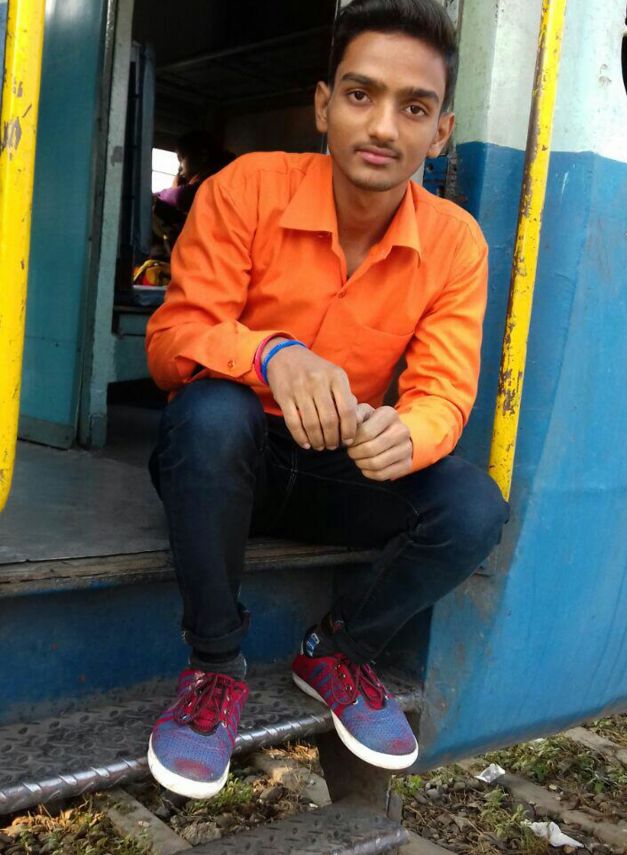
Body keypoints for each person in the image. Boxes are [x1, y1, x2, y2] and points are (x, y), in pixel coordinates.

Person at [145, 0, 509, 800]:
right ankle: (214, 667)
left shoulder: (456, 243)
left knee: (474, 506)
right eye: (360, 94)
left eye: (413, 107)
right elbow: (172, 342)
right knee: (209, 413)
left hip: (337, 470)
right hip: (227, 468)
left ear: (440, 132)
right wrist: (269, 355)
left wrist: (406, 434)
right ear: (322, 104)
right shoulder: (246, 189)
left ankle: (338, 649)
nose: (381, 126)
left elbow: (444, 392)